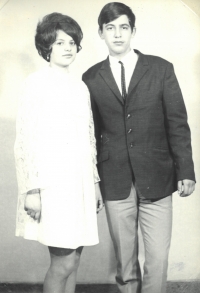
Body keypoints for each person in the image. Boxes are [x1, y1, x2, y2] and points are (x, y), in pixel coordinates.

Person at [82, 2, 196, 293]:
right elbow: (89, 134)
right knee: (125, 262)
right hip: (114, 178)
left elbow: (177, 123)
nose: (117, 34)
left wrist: (187, 170)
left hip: (158, 176)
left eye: (123, 27)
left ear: (133, 31)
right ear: (101, 33)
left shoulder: (161, 69)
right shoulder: (91, 78)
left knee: (157, 259)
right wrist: (92, 180)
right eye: (110, 28)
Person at [14, 12, 103, 293]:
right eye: (60, 42)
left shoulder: (80, 88)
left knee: (74, 261)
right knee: (62, 263)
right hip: (52, 185)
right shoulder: (35, 84)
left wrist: (95, 183)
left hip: (80, 186)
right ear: (46, 47)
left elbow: (89, 140)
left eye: (72, 42)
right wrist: (32, 189)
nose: (67, 48)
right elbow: (25, 140)